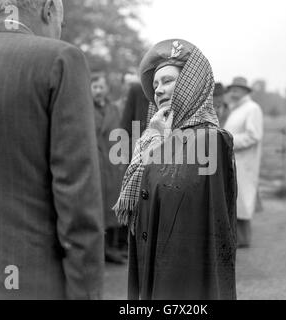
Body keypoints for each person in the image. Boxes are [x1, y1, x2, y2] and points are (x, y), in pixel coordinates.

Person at [0, 0, 104, 299]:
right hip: (33, 282)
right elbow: (77, 198)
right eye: (62, 22)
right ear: (48, 9)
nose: (60, 30)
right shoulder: (60, 59)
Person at [113, 39, 237, 300]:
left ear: (191, 87)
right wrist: (156, 138)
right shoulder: (155, 138)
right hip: (151, 265)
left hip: (184, 278)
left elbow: (198, 216)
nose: (158, 90)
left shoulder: (210, 139)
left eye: (168, 81)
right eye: (156, 84)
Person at [91, 72, 127, 265]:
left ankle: (112, 248)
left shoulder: (114, 109)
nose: (98, 91)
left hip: (112, 161)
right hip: (95, 161)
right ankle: (100, 249)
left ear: (107, 89)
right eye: (94, 87)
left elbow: (119, 133)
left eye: (101, 87)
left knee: (113, 204)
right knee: (98, 206)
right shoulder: (85, 108)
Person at [223, 77, 263, 248]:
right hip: (233, 160)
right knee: (234, 199)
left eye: (238, 89)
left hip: (244, 162)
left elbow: (253, 136)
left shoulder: (252, 108)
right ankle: (236, 238)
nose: (234, 92)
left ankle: (243, 239)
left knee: (242, 200)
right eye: (232, 89)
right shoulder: (235, 109)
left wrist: (228, 141)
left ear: (246, 91)